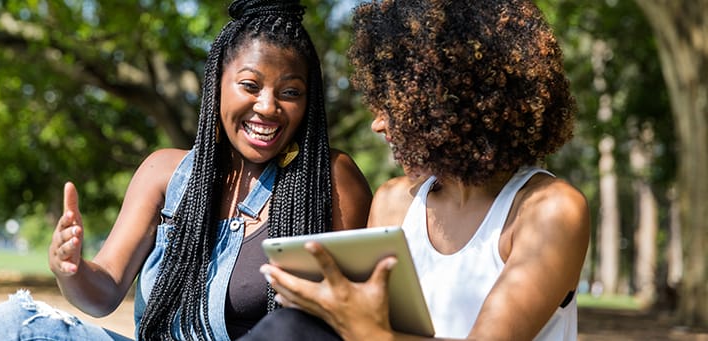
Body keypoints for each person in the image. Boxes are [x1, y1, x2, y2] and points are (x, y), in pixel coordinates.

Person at [0, 0, 372, 340]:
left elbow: (357, 320)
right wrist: (70, 269)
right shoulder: (166, 172)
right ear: (218, 86)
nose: (268, 106)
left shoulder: (331, 180)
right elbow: (103, 293)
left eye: (290, 93)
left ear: (308, 102)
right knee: (10, 325)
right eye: (250, 86)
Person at [245, 0, 590, 340]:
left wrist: (363, 329)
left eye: (393, 106)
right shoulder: (395, 202)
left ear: (450, 103)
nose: (377, 124)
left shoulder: (549, 210)